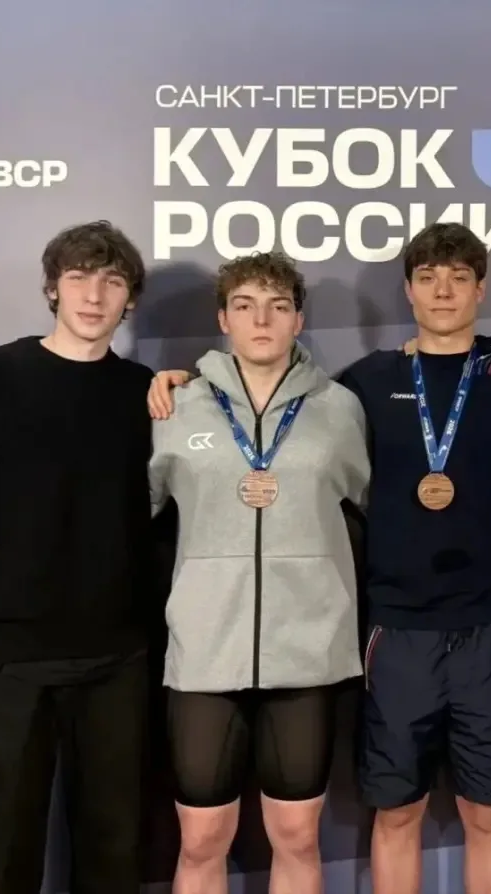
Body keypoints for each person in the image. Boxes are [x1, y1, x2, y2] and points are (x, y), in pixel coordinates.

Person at [147, 222, 491, 894]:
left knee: (478, 816)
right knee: (375, 816)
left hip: (467, 627)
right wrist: (181, 382)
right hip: (373, 631)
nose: (443, 291)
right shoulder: (354, 386)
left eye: (458, 278)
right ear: (408, 290)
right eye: (428, 277)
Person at [0, 221, 155, 894]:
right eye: (78, 277)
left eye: (112, 281)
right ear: (52, 288)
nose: (94, 296)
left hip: (122, 661)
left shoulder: (150, 393)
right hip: (9, 661)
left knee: (116, 864)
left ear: (130, 297)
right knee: (5, 863)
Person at [144, 251, 369, 894]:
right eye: (245, 306)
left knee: (296, 836)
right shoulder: (176, 405)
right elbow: (130, 517)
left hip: (308, 652)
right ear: (224, 320)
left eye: (278, 306)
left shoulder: (340, 408)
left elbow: (379, 511)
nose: (262, 319)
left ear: (298, 320)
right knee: (201, 839)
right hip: (203, 652)